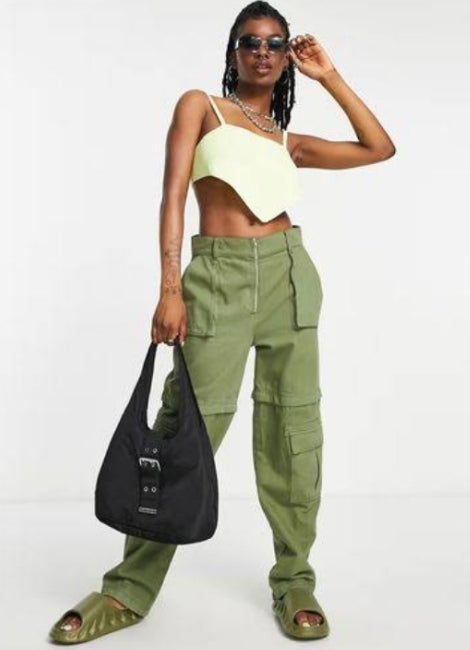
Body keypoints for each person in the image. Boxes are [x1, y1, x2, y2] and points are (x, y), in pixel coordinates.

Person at [48, 1, 395, 644]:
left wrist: (329, 76)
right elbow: (172, 196)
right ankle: (128, 588)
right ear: (233, 51)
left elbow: (380, 147)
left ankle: (295, 579)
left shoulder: (286, 140)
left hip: (290, 277)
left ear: (287, 55)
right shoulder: (201, 107)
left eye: (276, 43)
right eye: (250, 41)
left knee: (294, 432)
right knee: (187, 429)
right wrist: (170, 287)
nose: (263, 52)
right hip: (217, 279)